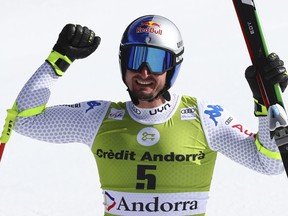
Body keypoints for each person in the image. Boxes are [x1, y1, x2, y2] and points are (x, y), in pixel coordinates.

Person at [7, 15, 288, 215]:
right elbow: (23, 120)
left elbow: (270, 164)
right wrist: (59, 59)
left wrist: (266, 107)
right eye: (135, 59)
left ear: (172, 67)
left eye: (156, 61)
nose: (143, 72)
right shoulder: (99, 118)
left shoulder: (203, 116)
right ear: (122, 63)